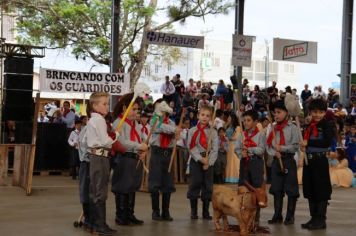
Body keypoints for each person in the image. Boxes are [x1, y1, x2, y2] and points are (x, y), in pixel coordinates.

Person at [111, 93, 148, 226]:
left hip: (134, 158)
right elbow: (121, 142)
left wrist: (142, 150)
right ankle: (120, 216)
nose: (136, 112)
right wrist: (139, 146)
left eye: (137, 109)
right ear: (124, 107)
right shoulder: (118, 123)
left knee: (132, 187)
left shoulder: (135, 124)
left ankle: (129, 214)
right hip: (123, 158)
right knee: (122, 187)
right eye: (133, 109)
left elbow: (140, 139)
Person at [300, 98, 335, 230]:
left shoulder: (327, 125)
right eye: (314, 111)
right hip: (308, 160)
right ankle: (313, 218)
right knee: (310, 190)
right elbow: (305, 141)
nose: (317, 114)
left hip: (320, 161)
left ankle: (321, 220)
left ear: (325, 112)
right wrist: (303, 146)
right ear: (310, 112)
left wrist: (309, 143)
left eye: (321, 112)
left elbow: (326, 142)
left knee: (320, 191)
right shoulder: (309, 126)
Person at [86, 92, 118, 235]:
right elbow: (105, 141)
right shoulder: (99, 120)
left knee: (95, 190)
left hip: (95, 157)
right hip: (100, 157)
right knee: (100, 191)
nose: (107, 106)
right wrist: (115, 135)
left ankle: (93, 223)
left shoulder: (92, 120)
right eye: (104, 104)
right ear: (94, 105)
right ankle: (100, 225)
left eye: (107, 103)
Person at [266, 100, 300, 225]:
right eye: (274, 113)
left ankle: (290, 216)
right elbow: (268, 145)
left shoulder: (293, 128)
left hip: (288, 160)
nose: (276, 115)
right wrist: (274, 152)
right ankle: (277, 215)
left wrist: (283, 148)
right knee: (276, 189)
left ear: (287, 113)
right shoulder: (272, 128)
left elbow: (295, 146)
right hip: (277, 161)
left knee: (291, 189)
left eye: (279, 112)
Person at [148, 99, 180, 221]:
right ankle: (155, 211)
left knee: (168, 183)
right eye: (157, 108)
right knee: (155, 183)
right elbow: (159, 127)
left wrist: (177, 133)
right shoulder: (154, 121)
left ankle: (166, 211)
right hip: (157, 153)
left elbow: (178, 134)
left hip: (168, 154)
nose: (159, 110)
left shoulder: (171, 122)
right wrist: (174, 130)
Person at [234, 109, 266, 226]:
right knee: (243, 189)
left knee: (256, 189)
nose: (245, 123)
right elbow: (236, 149)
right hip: (244, 164)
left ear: (255, 121)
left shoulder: (261, 134)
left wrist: (249, 149)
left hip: (256, 164)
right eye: (244, 121)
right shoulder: (242, 135)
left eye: (248, 120)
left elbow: (261, 150)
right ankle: (244, 216)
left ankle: (256, 217)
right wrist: (240, 154)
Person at [187, 105, 218, 220]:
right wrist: (201, 159)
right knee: (195, 184)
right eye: (203, 115)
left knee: (207, 186)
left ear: (211, 118)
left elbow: (215, 149)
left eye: (208, 116)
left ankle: (205, 212)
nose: (205, 118)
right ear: (198, 116)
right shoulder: (192, 131)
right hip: (196, 161)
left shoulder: (213, 132)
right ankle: (193, 212)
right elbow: (191, 147)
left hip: (208, 161)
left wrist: (208, 162)